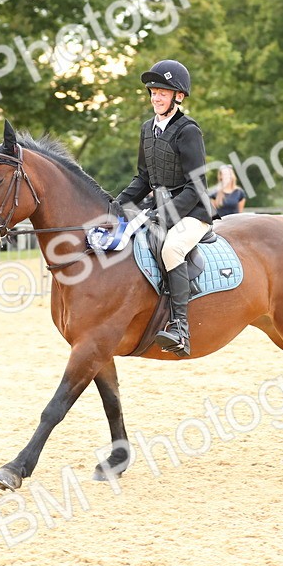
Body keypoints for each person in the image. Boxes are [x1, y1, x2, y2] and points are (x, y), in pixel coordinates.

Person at [115, 59, 214, 357]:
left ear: (178, 96)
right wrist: (116, 205)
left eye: (163, 92)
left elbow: (196, 186)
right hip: (157, 208)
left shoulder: (188, 131)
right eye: (153, 91)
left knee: (171, 248)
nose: (156, 97)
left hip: (192, 211)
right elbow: (143, 178)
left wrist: (163, 215)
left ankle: (180, 328)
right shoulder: (148, 129)